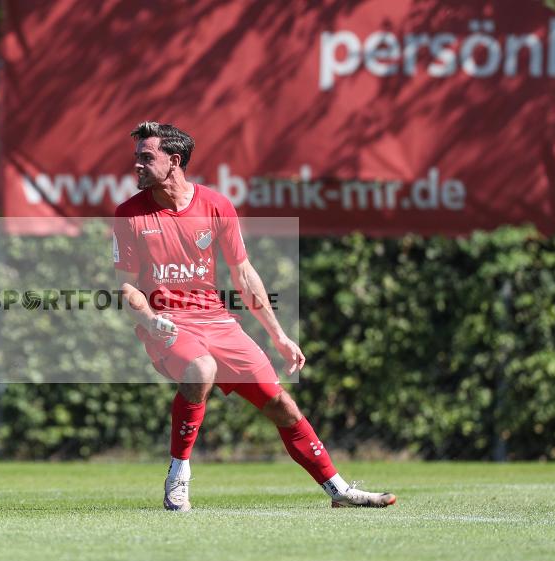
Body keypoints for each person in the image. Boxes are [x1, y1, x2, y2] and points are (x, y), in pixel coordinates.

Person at [114, 121, 396, 511]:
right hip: (168, 326)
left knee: (283, 405)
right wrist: (149, 320)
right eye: (137, 159)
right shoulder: (129, 214)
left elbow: (244, 275)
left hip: (217, 322)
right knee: (200, 369)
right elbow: (127, 288)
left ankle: (339, 491)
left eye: (147, 158)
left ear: (174, 161)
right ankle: (178, 476)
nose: (138, 167)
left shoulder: (216, 206)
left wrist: (279, 335)